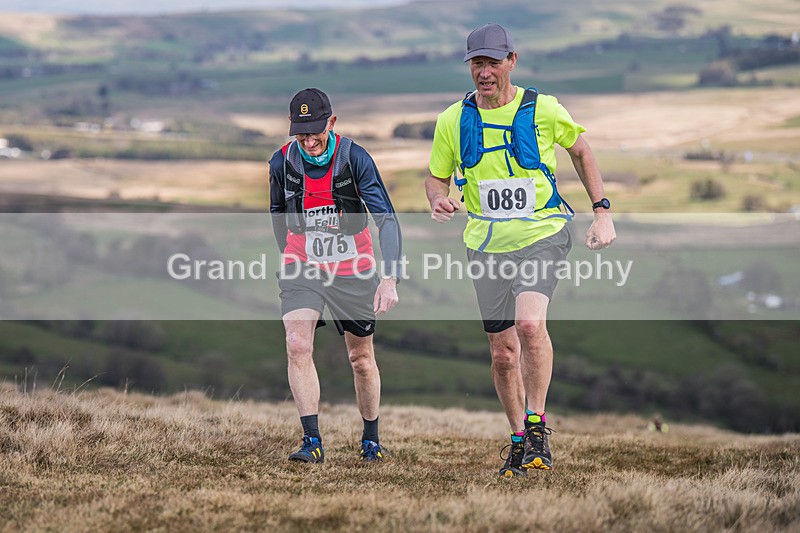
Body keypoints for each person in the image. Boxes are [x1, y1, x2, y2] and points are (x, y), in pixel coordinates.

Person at [425, 24, 616, 477]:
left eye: (493, 62)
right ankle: (517, 438)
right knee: (502, 353)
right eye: (477, 63)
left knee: (529, 324)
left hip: (542, 234)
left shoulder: (543, 109)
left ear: (512, 60)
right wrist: (437, 197)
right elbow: (436, 176)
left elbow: (582, 153)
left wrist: (602, 210)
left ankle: (537, 425)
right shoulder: (453, 119)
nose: (484, 72)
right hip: (485, 245)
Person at [269, 88, 402, 464]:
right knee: (297, 344)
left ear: (332, 122)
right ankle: (311, 441)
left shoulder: (355, 159)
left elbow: (386, 219)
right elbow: (277, 213)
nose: (309, 141)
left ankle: (371, 438)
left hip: (352, 268)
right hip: (302, 265)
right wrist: (291, 260)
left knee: (360, 358)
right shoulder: (280, 163)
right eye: (301, 134)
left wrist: (389, 277)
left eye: (316, 131)